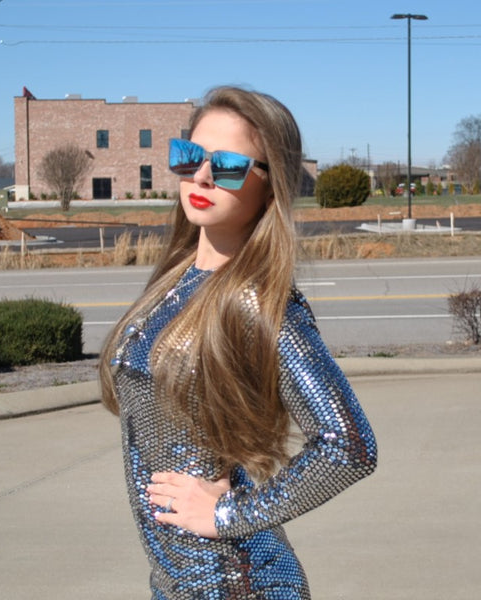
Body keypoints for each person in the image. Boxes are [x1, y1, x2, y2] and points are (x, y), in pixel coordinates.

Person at [99, 85, 377, 599]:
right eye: (190, 156)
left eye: (227, 166)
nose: (202, 176)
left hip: (238, 582)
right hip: (176, 579)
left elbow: (348, 446)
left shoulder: (258, 301)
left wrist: (227, 514)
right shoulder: (177, 279)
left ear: (271, 187)